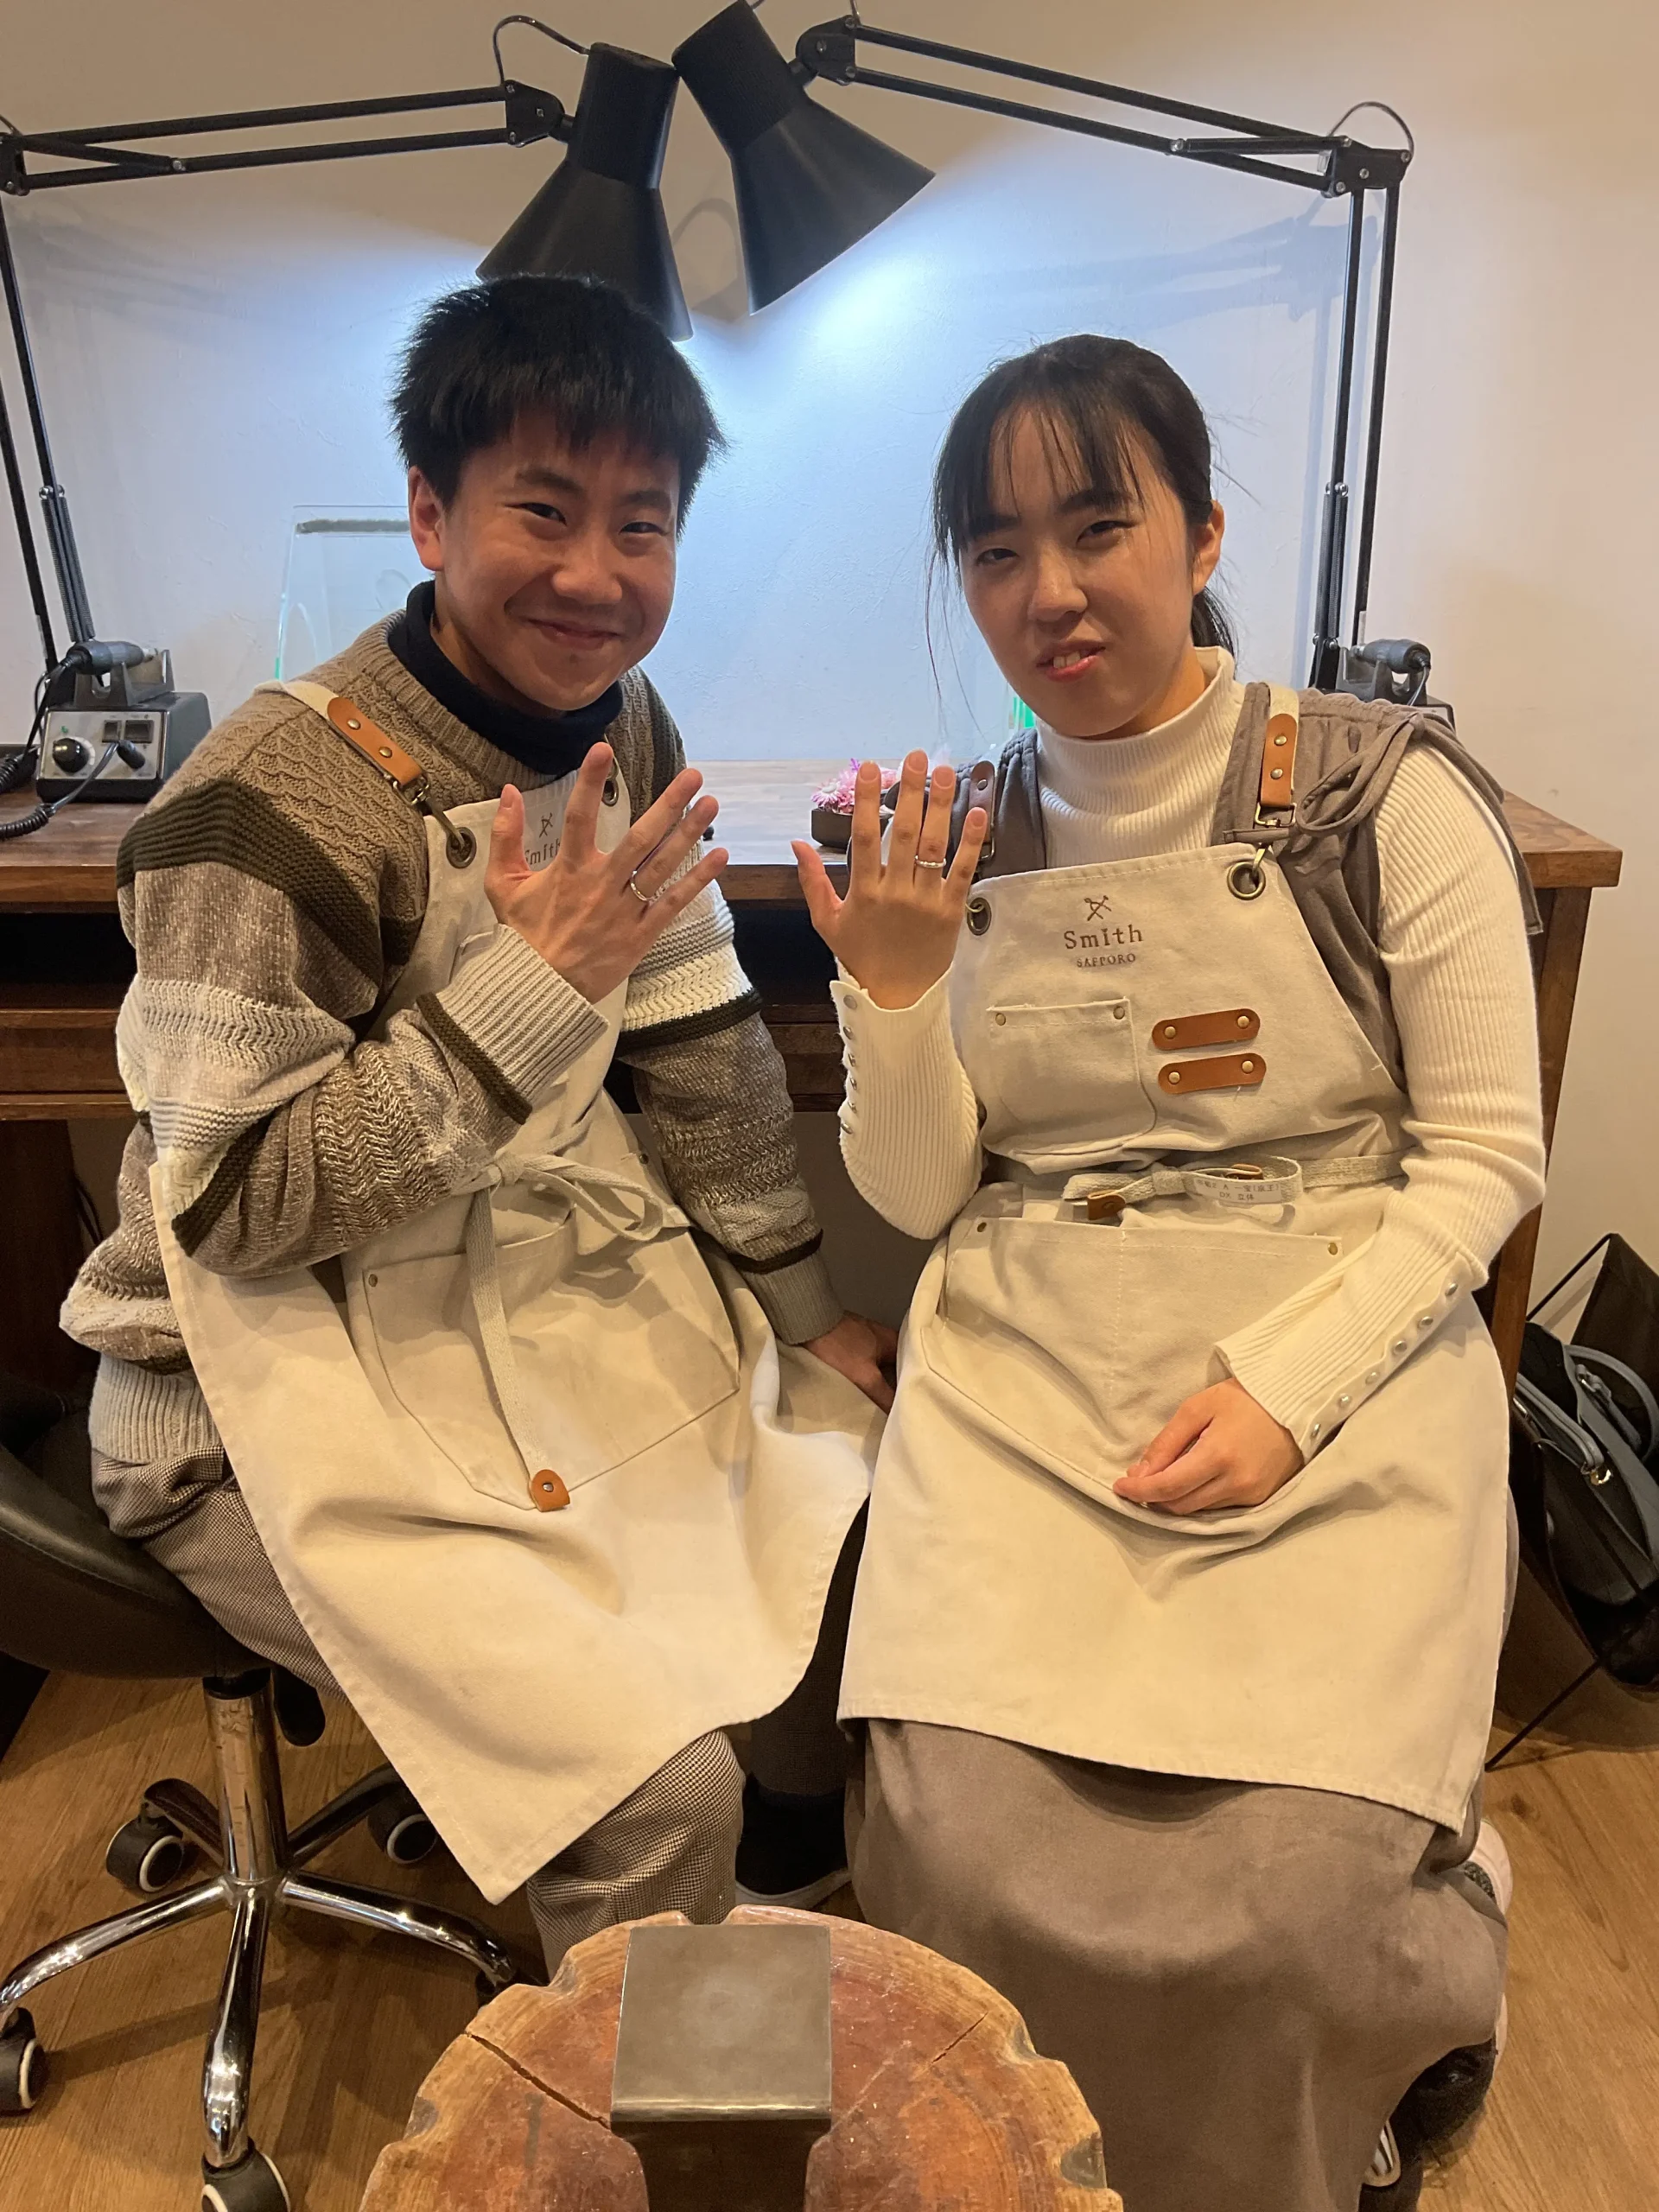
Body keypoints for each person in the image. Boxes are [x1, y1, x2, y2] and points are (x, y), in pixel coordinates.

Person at [62, 274, 893, 1969]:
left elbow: (703, 1044)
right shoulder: (266, 806)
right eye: (544, 510)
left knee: (853, 1510)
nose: (596, 574)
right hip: (248, 1386)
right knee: (649, 1788)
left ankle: (793, 1913)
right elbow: (233, 1213)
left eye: (642, 525)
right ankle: (661, 2077)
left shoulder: (622, 724)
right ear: (431, 515)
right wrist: (530, 985)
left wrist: (808, 1314)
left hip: (511, 1312)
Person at [794, 335, 1544, 2212]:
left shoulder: (1378, 798)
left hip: (1334, 1322)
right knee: (961, 1858)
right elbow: (925, 1193)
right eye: (994, 551)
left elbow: (1486, 1159)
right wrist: (895, 991)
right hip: (1035, 1339)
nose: (1048, 591)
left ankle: (1372, 2025)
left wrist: (1291, 1389)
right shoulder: (952, 834)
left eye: (1097, 527)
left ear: (1203, 534)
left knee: (1293, 1900)